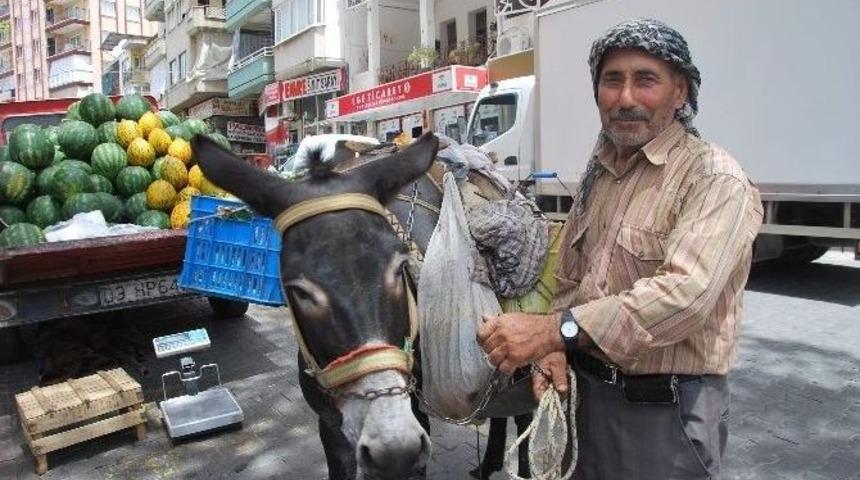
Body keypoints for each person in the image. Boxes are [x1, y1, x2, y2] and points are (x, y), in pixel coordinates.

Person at [477, 18, 763, 479]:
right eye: (613, 80)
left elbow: (683, 298)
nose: (626, 97)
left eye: (645, 79)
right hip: (588, 401)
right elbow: (571, 276)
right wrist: (557, 353)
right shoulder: (603, 173)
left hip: (664, 416)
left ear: (680, 92)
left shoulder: (713, 177)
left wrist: (554, 332)